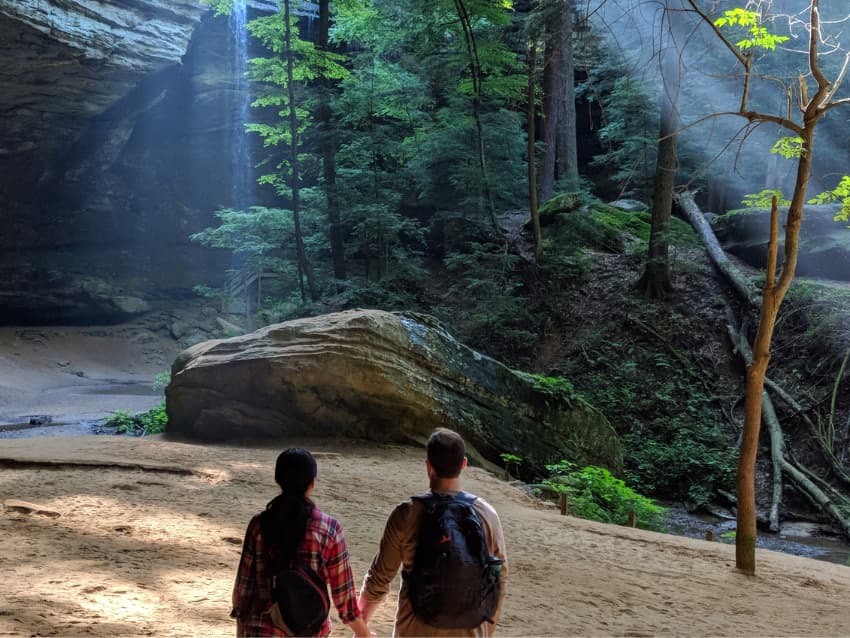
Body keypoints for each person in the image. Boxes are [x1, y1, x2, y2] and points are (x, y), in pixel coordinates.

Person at [359, 428, 508, 637]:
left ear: (428, 466)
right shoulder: (487, 514)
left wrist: (362, 624)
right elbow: (499, 576)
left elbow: (379, 578)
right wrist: (487, 627)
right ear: (464, 464)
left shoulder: (407, 513)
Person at [231, 448, 373, 637]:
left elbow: (243, 588)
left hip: (260, 629)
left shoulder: (259, 525)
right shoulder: (330, 529)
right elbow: (345, 601)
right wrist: (364, 634)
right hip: (308, 630)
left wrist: (241, 630)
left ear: (277, 480)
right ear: (312, 483)